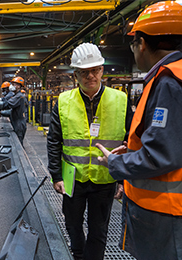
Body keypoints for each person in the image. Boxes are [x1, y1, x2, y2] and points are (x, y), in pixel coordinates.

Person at [96, 2, 182, 260]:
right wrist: (134, 150)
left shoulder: (168, 82)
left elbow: (161, 155)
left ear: (142, 43)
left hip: (166, 210)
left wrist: (117, 162)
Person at [47, 42, 133, 260]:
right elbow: (54, 140)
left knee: (99, 229)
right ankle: (78, 253)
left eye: (95, 70)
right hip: (72, 178)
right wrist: (56, 175)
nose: (90, 76)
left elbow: (130, 143)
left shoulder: (120, 100)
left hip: (105, 179)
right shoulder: (64, 101)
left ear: (102, 70)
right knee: (72, 224)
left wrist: (124, 179)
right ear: (76, 74)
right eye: (84, 72)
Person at [0, 76, 27, 146]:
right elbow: (11, 111)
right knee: (18, 143)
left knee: (19, 144)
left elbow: (5, 105)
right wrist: (1, 113)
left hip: (19, 124)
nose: (12, 86)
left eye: (14, 84)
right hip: (16, 122)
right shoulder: (15, 95)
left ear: (19, 86)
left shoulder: (19, 96)